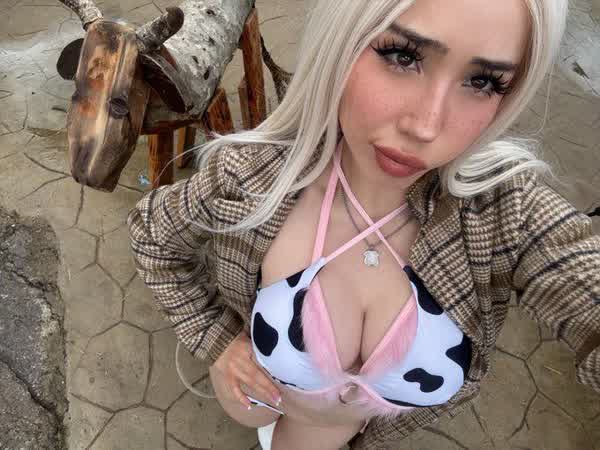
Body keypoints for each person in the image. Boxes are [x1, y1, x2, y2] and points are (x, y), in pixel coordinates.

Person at [127, 0, 600, 448]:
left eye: (482, 82)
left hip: (325, 432)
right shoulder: (248, 176)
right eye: (403, 56)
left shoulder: (504, 215)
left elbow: (579, 282)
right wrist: (215, 339)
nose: (426, 126)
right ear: (342, 38)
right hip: (251, 394)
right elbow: (152, 236)